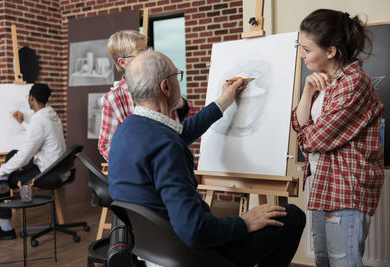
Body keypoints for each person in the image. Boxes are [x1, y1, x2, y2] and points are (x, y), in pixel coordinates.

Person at [109, 50, 306, 267]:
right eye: (177, 76)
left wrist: (222, 102)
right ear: (165, 87)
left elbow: (180, 133)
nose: (179, 82)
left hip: (153, 249)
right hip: (191, 254)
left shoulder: (127, 131)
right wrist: (244, 222)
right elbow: (194, 230)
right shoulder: (166, 146)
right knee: (292, 217)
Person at [292, 9, 384, 267]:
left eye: (307, 49)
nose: (302, 54)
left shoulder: (353, 83)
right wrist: (308, 90)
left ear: (330, 51)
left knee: (344, 263)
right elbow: (298, 123)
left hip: (346, 191)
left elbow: (312, 140)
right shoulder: (324, 82)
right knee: (324, 260)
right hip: (323, 186)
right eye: (301, 46)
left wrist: (304, 131)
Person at [98, 30, 195, 161]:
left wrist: (181, 105)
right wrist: (136, 162)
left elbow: (189, 119)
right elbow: (105, 145)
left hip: (171, 160)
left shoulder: (160, 81)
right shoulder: (113, 99)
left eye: (147, 50)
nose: (148, 56)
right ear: (122, 62)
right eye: (141, 53)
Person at [0, 83, 66, 240]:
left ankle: (6, 229)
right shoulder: (51, 115)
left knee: (1, 181)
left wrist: (0, 172)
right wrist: (22, 123)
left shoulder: (39, 121)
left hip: (46, 171)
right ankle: (18, 186)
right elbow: (38, 134)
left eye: (28, 98)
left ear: (32, 98)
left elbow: (25, 154)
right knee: (12, 155)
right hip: (56, 167)